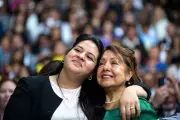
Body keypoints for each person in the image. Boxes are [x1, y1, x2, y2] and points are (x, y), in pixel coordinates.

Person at [3, 34, 150, 120]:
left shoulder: (96, 95)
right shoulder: (31, 86)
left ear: (93, 71)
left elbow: (133, 85)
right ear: (67, 54)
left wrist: (133, 90)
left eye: (90, 57)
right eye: (78, 50)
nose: (81, 56)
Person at [97, 45, 158, 120]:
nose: (105, 67)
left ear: (129, 74)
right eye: (101, 63)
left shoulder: (138, 106)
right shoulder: (91, 105)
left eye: (114, 63)